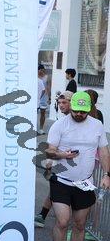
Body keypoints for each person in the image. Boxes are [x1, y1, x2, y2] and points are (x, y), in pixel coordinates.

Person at [46, 91, 110, 241]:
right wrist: (62, 155)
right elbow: (49, 151)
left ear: (89, 109)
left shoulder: (97, 125)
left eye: (83, 111)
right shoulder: (60, 124)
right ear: (71, 107)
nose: (79, 114)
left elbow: (104, 152)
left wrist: (107, 175)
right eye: (76, 111)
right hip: (61, 180)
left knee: (80, 224)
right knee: (62, 221)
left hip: (85, 183)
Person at [35, 91, 73, 228]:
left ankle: (69, 222)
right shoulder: (61, 121)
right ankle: (42, 216)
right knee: (55, 189)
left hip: (73, 164)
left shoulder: (77, 120)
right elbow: (53, 146)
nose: (61, 105)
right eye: (59, 102)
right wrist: (50, 163)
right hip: (60, 162)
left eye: (64, 102)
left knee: (64, 192)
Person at [37, 65, 49, 135]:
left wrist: (49, 98)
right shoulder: (34, 76)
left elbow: (48, 87)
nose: (42, 71)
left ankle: (41, 129)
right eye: (40, 70)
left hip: (43, 98)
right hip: (36, 98)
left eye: (43, 70)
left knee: (43, 113)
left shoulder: (46, 77)